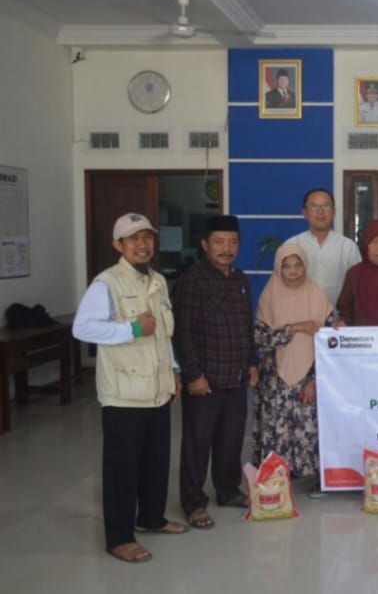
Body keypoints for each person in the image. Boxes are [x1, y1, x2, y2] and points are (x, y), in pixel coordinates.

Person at [73, 213, 187, 564]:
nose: (142, 244)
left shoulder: (158, 281)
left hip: (156, 387)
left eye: (147, 237)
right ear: (118, 245)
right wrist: (131, 329)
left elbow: (163, 333)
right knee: (122, 469)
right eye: (133, 238)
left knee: (156, 461)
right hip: (123, 393)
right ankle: (119, 538)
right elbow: (82, 328)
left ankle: (151, 519)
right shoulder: (106, 283)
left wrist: (174, 369)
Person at [172, 215, 258, 529]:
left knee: (231, 439)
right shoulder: (192, 280)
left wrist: (252, 362)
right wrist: (193, 374)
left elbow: (246, 326)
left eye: (232, 242)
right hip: (205, 380)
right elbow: (183, 332)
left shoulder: (240, 280)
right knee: (198, 442)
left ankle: (227, 489)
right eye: (219, 242)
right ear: (205, 244)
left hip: (235, 376)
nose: (226, 248)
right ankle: (194, 502)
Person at [253, 242, 336, 498]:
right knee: (275, 428)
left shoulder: (317, 295)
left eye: (297, 265)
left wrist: (315, 379)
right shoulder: (269, 296)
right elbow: (261, 338)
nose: (292, 271)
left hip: (309, 375)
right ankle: (275, 479)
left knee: (310, 428)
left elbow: (330, 341)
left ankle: (316, 479)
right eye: (286, 266)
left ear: (305, 266)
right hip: (274, 378)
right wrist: (294, 328)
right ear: (278, 268)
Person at [286, 188, 360, 305]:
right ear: (304, 213)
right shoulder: (291, 245)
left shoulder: (348, 247)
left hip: (336, 315)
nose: (320, 211)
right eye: (314, 206)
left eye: (326, 206)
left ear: (333, 212)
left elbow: (357, 287)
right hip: (298, 314)